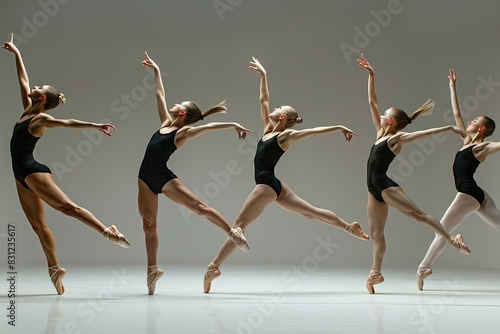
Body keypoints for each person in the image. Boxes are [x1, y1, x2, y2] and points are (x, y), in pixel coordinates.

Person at [203, 57, 369, 294]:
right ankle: (348, 227)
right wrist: (263, 75)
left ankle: (214, 267)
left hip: (266, 186)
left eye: (278, 109)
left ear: (282, 118)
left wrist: (338, 127)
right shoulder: (269, 130)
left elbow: (311, 133)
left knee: (239, 226)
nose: (273, 108)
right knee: (310, 212)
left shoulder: (284, 136)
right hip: (276, 186)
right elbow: (263, 99)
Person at [3, 33, 130, 295]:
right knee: (39, 226)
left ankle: (107, 231)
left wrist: (93, 125)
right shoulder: (28, 108)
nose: (33, 86)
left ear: (41, 100)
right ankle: (55, 271)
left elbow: (67, 122)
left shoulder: (39, 119)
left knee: (68, 208)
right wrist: (16, 53)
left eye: (39, 88)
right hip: (20, 175)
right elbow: (23, 79)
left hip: (32, 171)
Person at [138, 52, 252, 295]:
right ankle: (152, 270)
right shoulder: (165, 124)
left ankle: (233, 232)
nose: (174, 103)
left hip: (163, 177)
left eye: (179, 104)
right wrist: (157, 71)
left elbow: (208, 127)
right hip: (144, 179)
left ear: (182, 114)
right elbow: (160, 94)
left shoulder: (181, 133)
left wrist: (232, 124)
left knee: (200, 208)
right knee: (149, 226)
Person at [357, 54, 471, 294]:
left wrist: (448, 127)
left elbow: (423, 134)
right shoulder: (380, 132)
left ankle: (452, 239)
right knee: (377, 233)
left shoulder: (397, 138)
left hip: (384, 185)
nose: (380, 114)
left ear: (393, 121)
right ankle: (375, 273)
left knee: (418, 215)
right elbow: (371, 101)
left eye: (384, 113)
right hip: (372, 189)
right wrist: (371, 75)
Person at [416, 69, 500, 290]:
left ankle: (424, 267)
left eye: (474, 120)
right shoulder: (467, 141)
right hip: (477, 195)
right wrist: (452, 87)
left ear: (481, 128)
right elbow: (457, 115)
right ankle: (426, 266)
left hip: (467, 193)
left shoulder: (482, 147)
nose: (469, 121)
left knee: (442, 231)